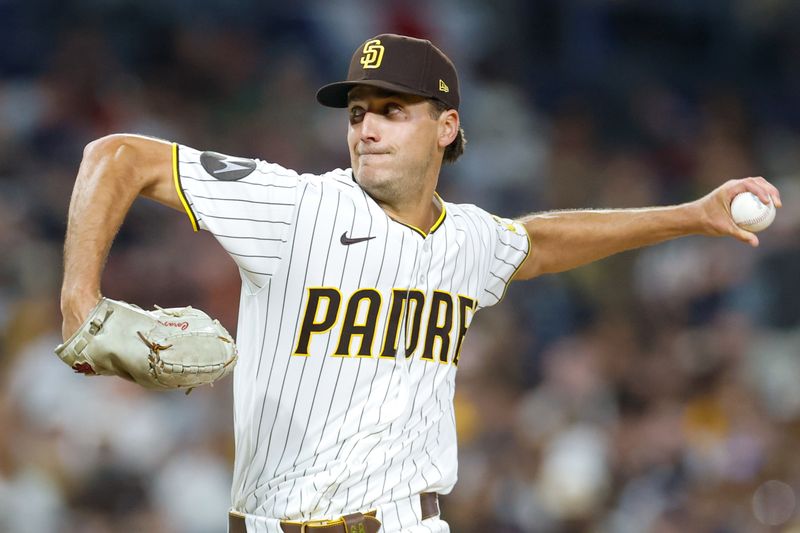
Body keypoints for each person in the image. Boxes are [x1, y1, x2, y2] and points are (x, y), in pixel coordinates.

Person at [59, 34, 782, 533]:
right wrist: (78, 303)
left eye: (392, 111)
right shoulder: (298, 205)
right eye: (358, 111)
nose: (366, 127)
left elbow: (537, 243)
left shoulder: (467, 238)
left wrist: (690, 214)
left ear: (446, 127)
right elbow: (117, 154)